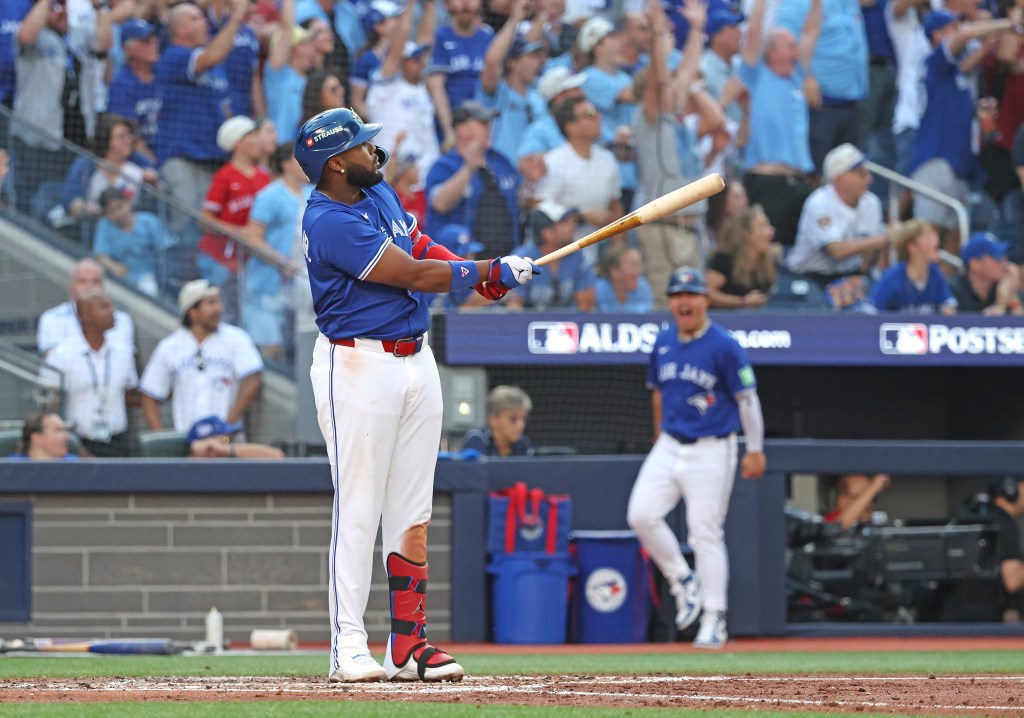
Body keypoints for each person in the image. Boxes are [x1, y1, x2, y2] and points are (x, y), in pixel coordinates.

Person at [293, 107, 538, 683]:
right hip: (357, 363)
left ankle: (408, 647)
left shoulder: (377, 193)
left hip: (414, 359)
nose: (373, 153)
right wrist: (484, 268)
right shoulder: (328, 218)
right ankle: (347, 644)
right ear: (335, 164)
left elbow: (420, 243)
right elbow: (407, 272)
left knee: (412, 513)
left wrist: (477, 275)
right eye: (360, 147)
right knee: (357, 509)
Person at [626, 266, 766, 650]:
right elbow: (657, 391)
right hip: (671, 443)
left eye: (691, 294)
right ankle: (682, 580)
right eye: (676, 295)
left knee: (704, 532)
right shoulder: (664, 340)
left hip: (713, 447)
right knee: (641, 515)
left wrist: (754, 448)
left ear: (705, 299)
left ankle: (714, 617)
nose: (683, 301)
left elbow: (747, 399)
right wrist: (658, 433)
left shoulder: (724, 344)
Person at [738, 0, 821, 247]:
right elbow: (754, 32)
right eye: (790, 47)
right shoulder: (754, 75)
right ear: (771, 51)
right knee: (764, 250)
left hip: (798, 182)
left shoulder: (797, 77)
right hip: (766, 181)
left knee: (791, 254)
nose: (797, 51)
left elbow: (811, 33)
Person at [139, 279, 265, 432]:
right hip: (188, 445)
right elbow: (149, 394)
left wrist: (225, 429)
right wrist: (163, 441)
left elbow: (252, 383)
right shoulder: (170, 346)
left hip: (228, 443)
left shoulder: (236, 338)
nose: (219, 308)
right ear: (193, 312)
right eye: (211, 303)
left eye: (219, 302)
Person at [786, 143, 889, 305]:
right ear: (839, 178)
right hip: (810, 276)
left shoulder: (871, 203)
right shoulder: (819, 202)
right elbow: (836, 251)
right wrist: (883, 239)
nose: (868, 178)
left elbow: (868, 257)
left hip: (849, 274)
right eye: (859, 172)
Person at [40, 291, 139, 457]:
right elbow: (49, 405)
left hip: (119, 440)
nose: (112, 311)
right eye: (104, 307)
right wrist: (73, 447)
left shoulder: (124, 353)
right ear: (85, 315)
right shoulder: (61, 356)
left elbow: (131, 392)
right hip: (78, 443)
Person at [425, 100, 523, 257]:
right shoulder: (444, 166)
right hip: (461, 262)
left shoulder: (500, 161)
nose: (489, 127)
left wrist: (530, 183)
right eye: (483, 123)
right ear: (463, 129)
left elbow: (518, 202)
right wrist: (468, 169)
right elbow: (440, 204)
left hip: (505, 259)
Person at [242, 143, 311, 361]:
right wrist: (283, 263)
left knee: (304, 348)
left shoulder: (315, 194)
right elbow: (252, 238)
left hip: (304, 285)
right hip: (269, 286)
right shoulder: (269, 196)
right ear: (286, 165)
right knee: (271, 352)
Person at [198, 116, 272, 290]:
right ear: (238, 144)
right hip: (218, 258)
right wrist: (238, 232)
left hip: (247, 261)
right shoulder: (224, 176)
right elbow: (204, 219)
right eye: (252, 136)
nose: (258, 141)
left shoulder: (264, 177)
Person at [941, 476, 1024, 622]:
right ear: (1011, 489)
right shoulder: (1003, 523)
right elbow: (1012, 580)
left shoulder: (978, 515)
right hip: (983, 618)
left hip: (951, 612)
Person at [508, 201, 596, 311]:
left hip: (569, 324)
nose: (573, 225)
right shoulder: (521, 259)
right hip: (529, 324)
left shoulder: (580, 257)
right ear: (547, 233)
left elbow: (586, 307)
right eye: (564, 222)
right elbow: (514, 308)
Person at [37, 258, 135, 356]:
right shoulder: (51, 318)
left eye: (95, 281)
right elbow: (53, 359)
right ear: (71, 286)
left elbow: (123, 359)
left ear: (103, 286)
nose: (90, 286)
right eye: (82, 281)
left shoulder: (121, 320)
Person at [93, 187, 173, 298]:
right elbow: (101, 255)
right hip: (123, 281)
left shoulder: (148, 221)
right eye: (111, 212)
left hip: (153, 277)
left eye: (120, 207)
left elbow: (167, 249)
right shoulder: (105, 225)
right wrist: (113, 266)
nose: (118, 213)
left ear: (128, 202)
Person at [864, 219, 957, 315]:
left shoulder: (936, 274)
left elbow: (949, 311)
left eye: (934, 235)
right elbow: (871, 312)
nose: (936, 240)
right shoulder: (893, 277)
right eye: (928, 237)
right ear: (912, 247)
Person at [706, 205, 777, 310]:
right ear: (746, 233)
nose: (771, 231)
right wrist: (742, 302)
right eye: (763, 226)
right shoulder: (724, 260)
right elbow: (707, 292)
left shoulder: (769, 262)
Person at [951, 232, 1024, 315]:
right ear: (975, 264)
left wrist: (1012, 296)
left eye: (1004, 255)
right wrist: (1000, 306)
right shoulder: (953, 292)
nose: (1004, 261)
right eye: (998, 255)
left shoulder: (1002, 286)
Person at [462, 385, 534, 456]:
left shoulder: (523, 444)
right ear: (493, 419)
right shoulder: (476, 440)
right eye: (513, 419)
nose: (521, 425)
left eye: (523, 419)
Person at [186, 415, 285, 458]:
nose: (228, 441)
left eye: (229, 439)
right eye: (225, 439)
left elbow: (277, 456)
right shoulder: (188, 468)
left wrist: (226, 448)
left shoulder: (231, 457)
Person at [594, 244, 654, 313]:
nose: (640, 270)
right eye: (633, 265)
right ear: (614, 271)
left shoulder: (643, 286)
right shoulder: (595, 291)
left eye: (639, 265)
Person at [823, 473, 890, 531]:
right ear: (842, 500)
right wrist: (875, 485)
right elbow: (838, 528)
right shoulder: (828, 521)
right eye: (859, 498)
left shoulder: (878, 522)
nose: (867, 504)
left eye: (870, 496)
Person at [8, 412, 77, 460]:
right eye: (58, 430)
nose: (66, 436)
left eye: (64, 430)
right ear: (37, 438)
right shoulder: (10, 467)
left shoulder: (76, 466)